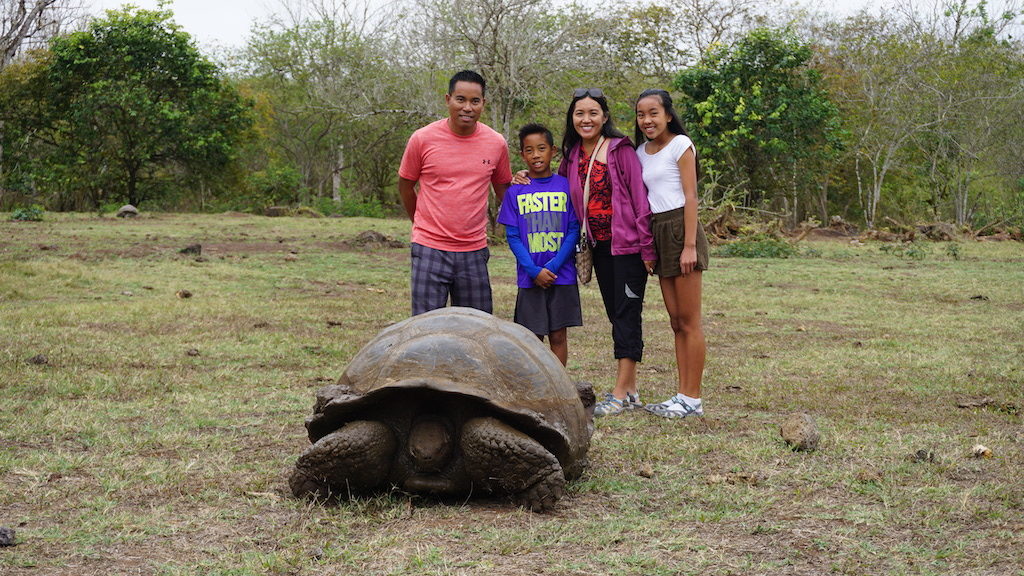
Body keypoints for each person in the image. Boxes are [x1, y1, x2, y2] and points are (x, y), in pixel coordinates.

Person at [559, 88, 656, 417]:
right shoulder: (571, 154)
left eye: (592, 113)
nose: (586, 119)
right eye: (579, 114)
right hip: (598, 248)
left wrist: (647, 248)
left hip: (627, 247)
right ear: (572, 119)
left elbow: (640, 201)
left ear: (604, 117)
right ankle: (630, 391)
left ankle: (619, 392)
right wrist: (525, 178)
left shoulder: (620, 150)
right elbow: (557, 187)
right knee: (617, 314)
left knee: (627, 313)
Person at [398, 70, 512, 316]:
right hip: (429, 248)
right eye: (460, 99)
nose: (467, 107)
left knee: (476, 326)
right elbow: (406, 186)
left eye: (475, 101)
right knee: (425, 330)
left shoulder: (496, 143)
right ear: (447, 99)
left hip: (473, 251)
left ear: (484, 103)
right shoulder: (422, 139)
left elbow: (504, 190)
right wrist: (420, 222)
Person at [634, 88, 710, 418]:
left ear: (667, 114)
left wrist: (689, 245)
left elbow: (691, 197)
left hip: (681, 227)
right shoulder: (640, 152)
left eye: (653, 113)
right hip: (658, 230)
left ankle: (692, 398)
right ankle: (681, 396)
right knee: (675, 321)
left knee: (691, 322)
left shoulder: (681, 145)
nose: (647, 120)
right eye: (641, 114)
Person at [497, 123, 582, 365]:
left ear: (553, 151)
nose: (536, 155)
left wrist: (553, 266)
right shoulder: (515, 192)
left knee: (558, 335)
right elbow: (512, 236)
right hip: (530, 277)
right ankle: (535, 391)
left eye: (541, 148)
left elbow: (574, 230)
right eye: (529, 150)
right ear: (522, 154)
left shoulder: (567, 186)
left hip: (561, 275)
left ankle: (559, 390)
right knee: (531, 338)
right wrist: (533, 270)